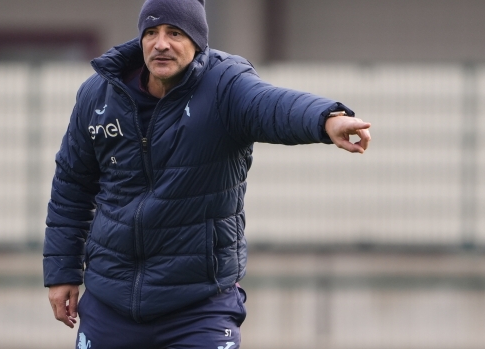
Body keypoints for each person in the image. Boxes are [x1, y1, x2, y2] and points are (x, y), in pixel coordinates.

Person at [43, 0, 371, 348]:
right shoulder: (98, 94)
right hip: (110, 303)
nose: (161, 43)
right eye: (151, 32)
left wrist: (327, 119)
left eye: (175, 33)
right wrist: (62, 273)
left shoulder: (225, 85)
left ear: (198, 41)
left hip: (199, 308)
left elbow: (272, 105)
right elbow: (71, 188)